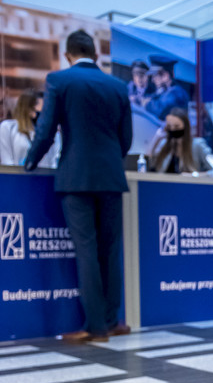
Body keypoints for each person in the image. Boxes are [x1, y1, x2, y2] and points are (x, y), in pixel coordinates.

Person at [24, 29, 133, 343]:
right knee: (110, 250)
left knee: (86, 250)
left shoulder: (59, 80)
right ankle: (112, 321)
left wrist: (30, 162)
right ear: (95, 54)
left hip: (76, 177)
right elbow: (125, 138)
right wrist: (110, 160)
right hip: (111, 177)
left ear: (67, 54)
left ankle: (95, 327)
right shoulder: (118, 86)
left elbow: (46, 130)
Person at [146, 108, 211, 174]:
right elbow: (150, 165)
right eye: (169, 126)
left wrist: (194, 175)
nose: (172, 129)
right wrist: (157, 138)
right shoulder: (164, 144)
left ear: (185, 126)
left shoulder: (197, 145)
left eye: (177, 126)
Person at [0, 91, 46, 166]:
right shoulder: (7, 127)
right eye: (43, 110)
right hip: (15, 172)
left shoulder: (50, 134)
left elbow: (52, 163)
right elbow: (6, 160)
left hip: (43, 173)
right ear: (28, 109)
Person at [145, 55, 190, 120]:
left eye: (155, 76)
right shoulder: (167, 91)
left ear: (165, 76)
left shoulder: (176, 93)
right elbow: (154, 97)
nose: (153, 80)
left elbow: (160, 110)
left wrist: (147, 103)